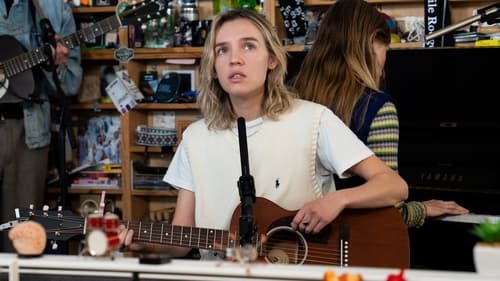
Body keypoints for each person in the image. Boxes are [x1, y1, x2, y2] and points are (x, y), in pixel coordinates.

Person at [120, 8, 408, 259]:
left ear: (272, 59)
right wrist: (139, 243)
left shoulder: (313, 119)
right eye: (222, 50)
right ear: (213, 69)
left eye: (248, 47)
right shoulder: (195, 139)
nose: (234, 59)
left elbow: (394, 186)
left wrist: (336, 201)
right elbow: (182, 238)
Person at [291, 0, 468, 228]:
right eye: (386, 48)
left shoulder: (289, 96)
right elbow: (389, 213)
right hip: (355, 243)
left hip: (296, 234)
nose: (384, 63)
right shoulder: (376, 107)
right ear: (371, 41)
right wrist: (422, 209)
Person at [0, 0, 83, 252]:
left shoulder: (53, 9)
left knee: (19, 234)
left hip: (30, 132)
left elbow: (70, 85)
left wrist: (58, 63)